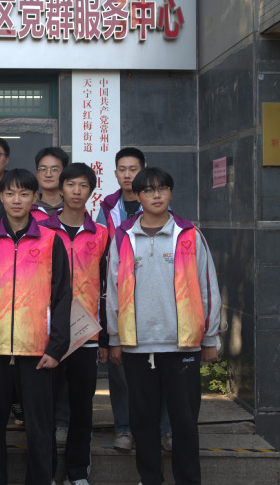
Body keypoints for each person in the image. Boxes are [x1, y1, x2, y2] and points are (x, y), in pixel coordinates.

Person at [106, 167, 221, 485]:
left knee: (184, 422)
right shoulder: (124, 237)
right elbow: (113, 289)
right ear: (137, 195)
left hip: (182, 345)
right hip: (136, 345)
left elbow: (208, 286)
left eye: (162, 189)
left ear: (171, 193)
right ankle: (150, 479)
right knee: (142, 421)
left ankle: (188, 480)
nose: (156, 195)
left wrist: (210, 337)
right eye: (148, 190)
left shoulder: (189, 234)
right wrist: (114, 337)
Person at [0, 168, 72, 485]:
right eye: (10, 193)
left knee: (40, 429)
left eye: (24, 194)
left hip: (38, 352)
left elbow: (62, 297)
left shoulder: (51, 241)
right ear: (1, 198)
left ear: (35, 198)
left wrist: (56, 348)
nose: (16, 200)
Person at [95, 146, 172, 452]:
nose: (128, 175)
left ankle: (165, 430)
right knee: (120, 370)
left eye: (133, 169)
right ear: (115, 173)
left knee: (163, 371)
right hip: (118, 293)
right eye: (122, 169)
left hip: (158, 298)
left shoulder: (157, 208)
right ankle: (124, 428)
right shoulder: (106, 208)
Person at [38, 163, 109, 485]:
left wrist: (105, 337)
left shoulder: (102, 234)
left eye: (83, 185)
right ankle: (47, 471)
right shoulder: (42, 230)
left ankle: (78, 472)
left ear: (91, 191)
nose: (76, 191)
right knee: (46, 409)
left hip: (86, 335)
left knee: (82, 408)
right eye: (71, 184)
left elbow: (108, 287)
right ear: (61, 188)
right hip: (47, 334)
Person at [32, 147, 69, 220]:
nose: (48, 174)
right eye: (43, 169)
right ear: (37, 174)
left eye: (54, 170)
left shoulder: (74, 209)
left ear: (64, 173)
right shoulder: (27, 209)